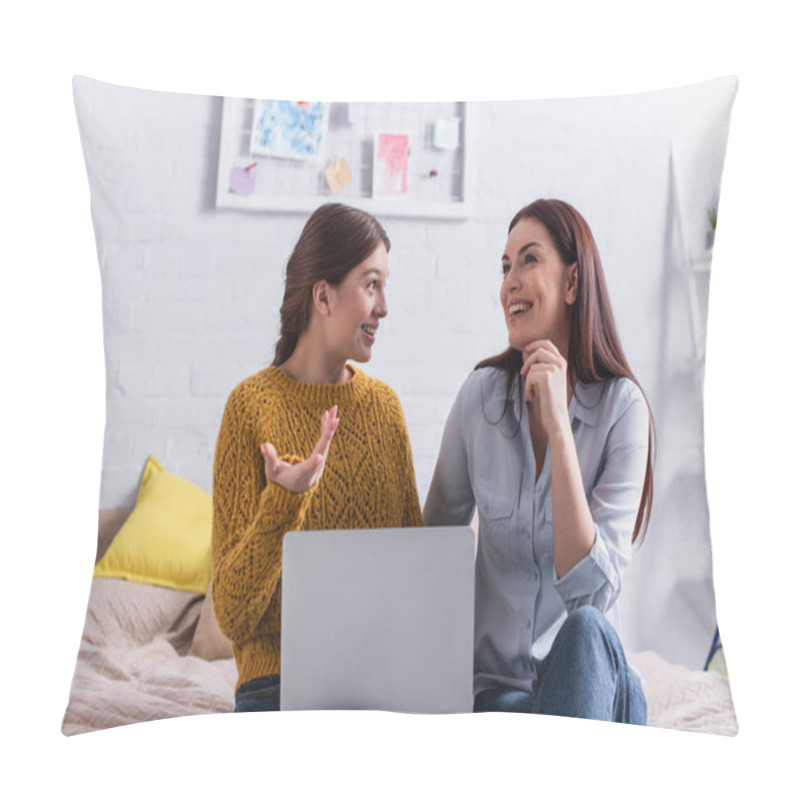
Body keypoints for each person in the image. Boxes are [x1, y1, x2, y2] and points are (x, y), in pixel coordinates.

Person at [423, 198, 654, 723]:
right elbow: (432, 546)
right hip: (497, 695)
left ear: (573, 284)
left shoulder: (623, 410)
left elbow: (591, 594)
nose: (510, 282)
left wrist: (558, 430)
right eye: (505, 268)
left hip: (590, 686)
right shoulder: (480, 399)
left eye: (528, 260)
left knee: (586, 629)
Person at [212, 203, 423, 713]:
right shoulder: (250, 408)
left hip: (379, 682)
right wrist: (284, 500)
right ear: (323, 295)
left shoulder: (384, 411)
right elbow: (233, 615)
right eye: (371, 285)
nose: (384, 307)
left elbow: (415, 577)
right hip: (278, 686)